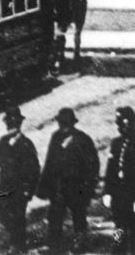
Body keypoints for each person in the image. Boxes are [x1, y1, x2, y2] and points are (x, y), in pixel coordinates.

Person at [36, 107, 100, 251]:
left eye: (65, 123)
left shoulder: (82, 139)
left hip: (76, 186)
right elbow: (49, 162)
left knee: (78, 215)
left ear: (72, 123)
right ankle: (54, 244)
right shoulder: (56, 137)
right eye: (61, 123)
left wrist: (89, 186)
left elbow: (93, 164)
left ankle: (80, 242)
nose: (63, 126)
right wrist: (43, 187)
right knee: (55, 217)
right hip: (59, 187)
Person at [0, 106, 40, 252]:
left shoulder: (26, 144)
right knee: (1, 214)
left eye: (14, 124)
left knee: (18, 216)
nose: (11, 127)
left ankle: (19, 245)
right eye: (9, 123)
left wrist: (30, 190)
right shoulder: (2, 142)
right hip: (4, 187)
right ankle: (14, 237)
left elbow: (34, 170)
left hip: (20, 188)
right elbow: (1, 164)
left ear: (19, 125)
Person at [105, 107, 135, 253]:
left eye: (123, 121)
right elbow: (110, 169)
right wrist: (107, 192)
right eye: (118, 123)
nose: (120, 126)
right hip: (119, 195)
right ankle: (118, 251)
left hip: (132, 195)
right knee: (119, 227)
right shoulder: (116, 143)